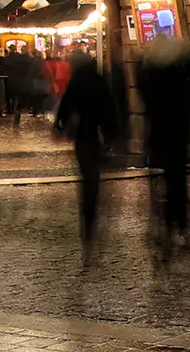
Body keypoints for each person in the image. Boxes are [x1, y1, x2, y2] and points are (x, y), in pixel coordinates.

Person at [136, 39, 190, 259]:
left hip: (157, 137)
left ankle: (165, 224)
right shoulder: (181, 82)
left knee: (161, 183)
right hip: (178, 136)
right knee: (177, 181)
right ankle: (178, 224)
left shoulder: (152, 80)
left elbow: (140, 83)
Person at [54, 50, 120, 264]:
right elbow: (110, 109)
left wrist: (59, 125)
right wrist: (112, 135)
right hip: (97, 136)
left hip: (82, 136)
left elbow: (65, 106)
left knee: (88, 177)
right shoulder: (99, 81)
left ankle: (88, 226)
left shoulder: (76, 82)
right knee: (94, 179)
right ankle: (92, 221)